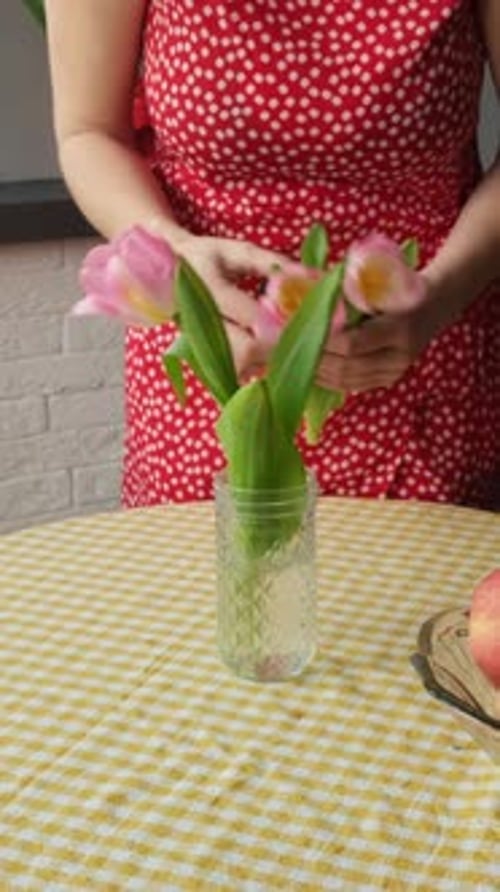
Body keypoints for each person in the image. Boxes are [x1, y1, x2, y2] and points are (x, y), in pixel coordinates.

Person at [45, 0, 500, 509]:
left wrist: (438, 298)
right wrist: (176, 257)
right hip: (215, 360)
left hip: (420, 353)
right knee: (210, 580)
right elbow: (89, 132)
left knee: (432, 586)